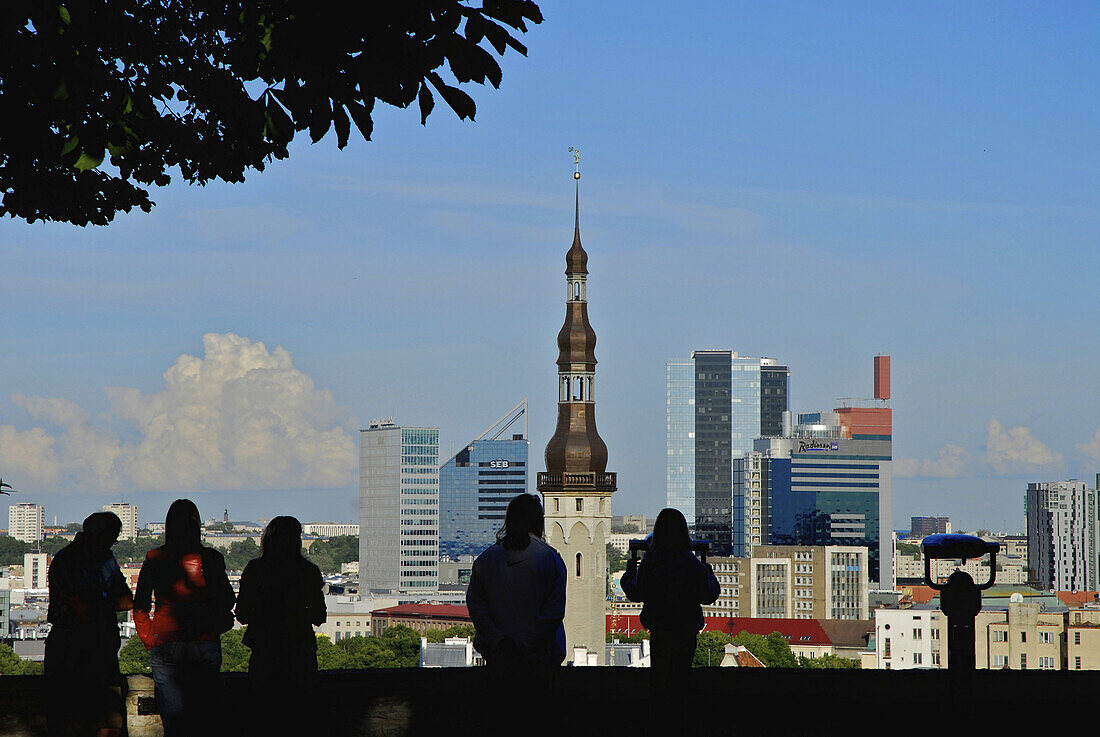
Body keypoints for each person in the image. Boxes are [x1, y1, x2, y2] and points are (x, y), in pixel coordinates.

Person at [133, 499, 235, 736]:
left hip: (166, 640)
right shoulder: (211, 558)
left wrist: (151, 638)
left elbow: (140, 606)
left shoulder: (155, 558)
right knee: (203, 719)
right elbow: (227, 599)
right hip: (204, 639)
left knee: (175, 723)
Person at [467, 494, 566, 731]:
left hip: (500, 664)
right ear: (538, 521)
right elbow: (553, 612)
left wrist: (501, 643)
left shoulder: (487, 559)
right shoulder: (550, 559)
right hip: (539, 664)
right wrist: (527, 644)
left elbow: (477, 608)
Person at [619, 507, 720, 733]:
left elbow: (636, 593)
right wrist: (708, 572)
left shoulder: (651, 563)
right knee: (681, 685)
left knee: (659, 685)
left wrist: (628, 574)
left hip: (661, 631)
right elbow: (709, 594)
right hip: (685, 631)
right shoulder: (690, 563)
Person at [45, 512, 134, 737]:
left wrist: (97, 601)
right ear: (100, 535)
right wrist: (106, 601)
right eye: (112, 537)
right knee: (77, 719)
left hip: (89, 647)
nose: (112, 543)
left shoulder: (95, 558)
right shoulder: (72, 561)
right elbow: (86, 610)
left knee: (99, 720)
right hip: (74, 650)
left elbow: (126, 602)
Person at [235, 516, 326, 735]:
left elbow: (242, 614)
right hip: (300, 652)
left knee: (265, 717)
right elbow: (319, 616)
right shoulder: (308, 572)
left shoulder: (256, 569)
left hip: (265, 652)